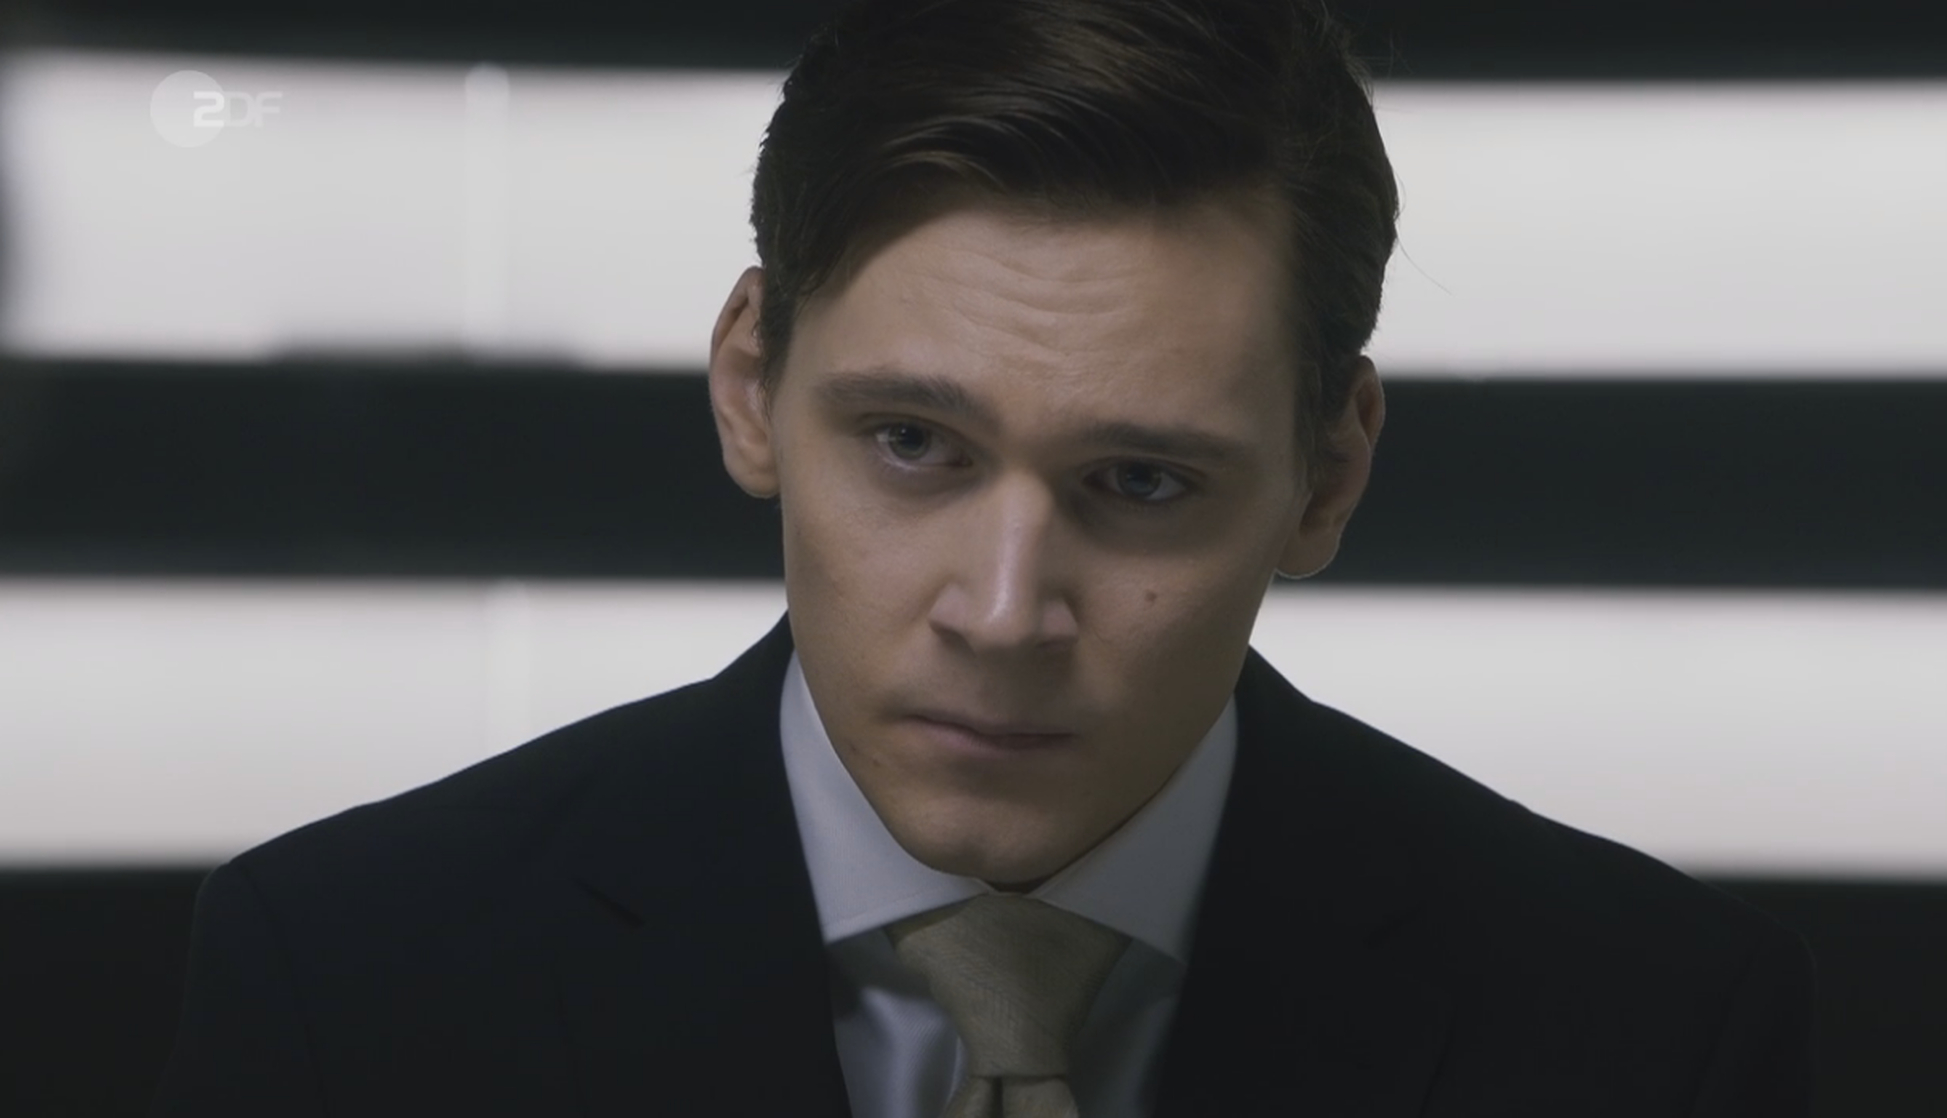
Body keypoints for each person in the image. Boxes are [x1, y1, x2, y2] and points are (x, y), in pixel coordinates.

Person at [150, 0, 1817, 1115]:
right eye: (912, 444)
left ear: (1327, 478)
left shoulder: (1652, 1027)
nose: (1005, 611)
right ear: (750, 385)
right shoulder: (348, 978)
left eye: (1142, 480)